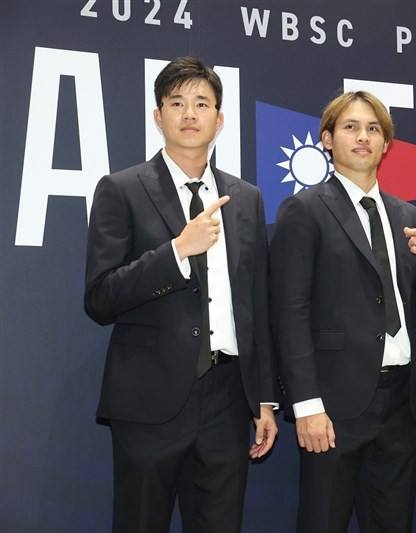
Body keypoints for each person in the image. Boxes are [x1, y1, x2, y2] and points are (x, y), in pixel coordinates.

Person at [84, 56, 277, 533]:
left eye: (202, 103)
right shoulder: (121, 189)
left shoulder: (246, 197)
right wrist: (176, 252)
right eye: (176, 103)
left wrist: (265, 399)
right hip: (149, 400)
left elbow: (256, 304)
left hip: (228, 399)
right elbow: (100, 296)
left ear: (219, 118)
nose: (189, 114)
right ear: (158, 116)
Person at [269, 90, 416, 533]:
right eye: (350, 127)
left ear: (387, 145)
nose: (363, 137)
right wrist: (307, 404)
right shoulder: (304, 210)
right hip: (333, 403)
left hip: (401, 402)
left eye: (373, 129)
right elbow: (289, 312)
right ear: (327, 139)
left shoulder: (406, 214)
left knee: (392, 523)